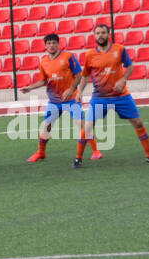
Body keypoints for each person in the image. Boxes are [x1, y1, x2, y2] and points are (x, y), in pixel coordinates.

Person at [74, 22, 149, 167]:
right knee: (88, 127)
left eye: (103, 33)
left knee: (138, 123)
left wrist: (123, 79)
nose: (100, 36)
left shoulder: (119, 49)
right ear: (94, 36)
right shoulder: (89, 55)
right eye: (97, 33)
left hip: (121, 96)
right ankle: (78, 159)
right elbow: (85, 76)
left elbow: (130, 67)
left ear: (109, 34)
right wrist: (80, 92)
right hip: (99, 98)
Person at [20, 33, 95, 164]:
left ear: (58, 44)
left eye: (54, 42)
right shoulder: (43, 61)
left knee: (81, 125)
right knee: (46, 127)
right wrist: (30, 88)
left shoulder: (68, 56)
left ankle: (96, 151)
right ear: (45, 45)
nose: (51, 45)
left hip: (71, 99)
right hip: (54, 102)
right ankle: (41, 152)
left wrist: (72, 89)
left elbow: (79, 75)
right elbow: (43, 81)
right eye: (48, 43)